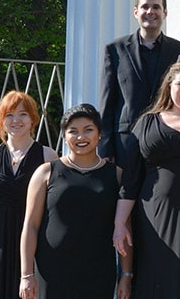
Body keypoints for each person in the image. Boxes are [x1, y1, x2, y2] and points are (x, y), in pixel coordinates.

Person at [112, 60, 180, 297]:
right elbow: (130, 181)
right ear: (169, 86)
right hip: (153, 221)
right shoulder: (146, 123)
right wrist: (120, 223)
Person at [16, 103, 129, 299]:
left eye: (88, 130)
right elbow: (31, 225)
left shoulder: (116, 175)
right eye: (73, 131)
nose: (81, 137)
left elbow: (125, 228)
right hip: (51, 271)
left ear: (99, 133)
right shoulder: (46, 172)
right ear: (64, 136)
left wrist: (126, 275)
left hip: (98, 271)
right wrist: (26, 275)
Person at [0, 91, 57, 299]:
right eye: (9, 115)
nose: (16, 120)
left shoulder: (48, 155)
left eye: (23, 114)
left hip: (34, 243)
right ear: (1, 121)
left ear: (33, 119)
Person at [100, 0, 180, 158]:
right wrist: (105, 148)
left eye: (156, 7)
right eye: (145, 7)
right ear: (136, 12)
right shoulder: (115, 50)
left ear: (165, 13)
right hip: (126, 141)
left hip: (167, 139)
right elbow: (108, 101)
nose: (150, 11)